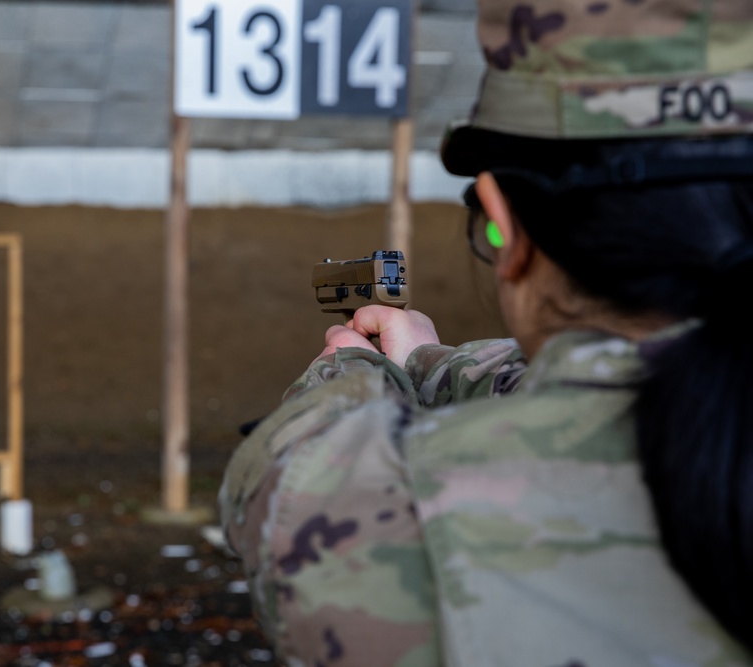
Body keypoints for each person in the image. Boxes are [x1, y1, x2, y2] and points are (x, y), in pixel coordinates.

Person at [219, 1, 753, 665]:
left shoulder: (389, 517)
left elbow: (285, 477)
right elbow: (622, 379)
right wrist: (427, 364)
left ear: (505, 227)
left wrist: (351, 374)